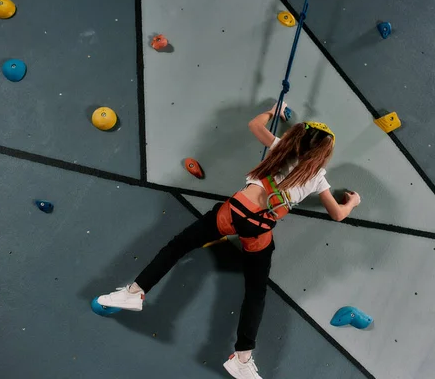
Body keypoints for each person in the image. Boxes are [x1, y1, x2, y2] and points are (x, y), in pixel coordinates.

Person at [96, 102, 361, 379]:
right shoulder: (317, 177)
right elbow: (338, 214)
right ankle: (242, 357)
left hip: (232, 212)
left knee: (178, 246)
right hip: (258, 229)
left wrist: (273, 110)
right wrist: (352, 202)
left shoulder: (280, 148)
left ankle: (134, 292)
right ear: (322, 153)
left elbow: (254, 125)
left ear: (297, 138)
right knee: (255, 293)